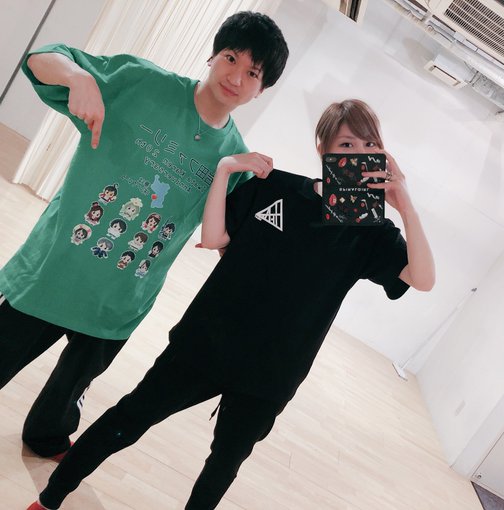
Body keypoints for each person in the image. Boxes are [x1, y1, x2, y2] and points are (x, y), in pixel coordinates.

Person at [27, 99, 436, 510]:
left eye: (369, 146)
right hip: (204, 343)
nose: (359, 155)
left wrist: (406, 206)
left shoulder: (371, 229)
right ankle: (50, 498)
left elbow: (422, 279)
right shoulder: (276, 186)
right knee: (129, 419)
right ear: (323, 148)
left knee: (223, 466)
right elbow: (214, 238)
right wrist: (224, 170)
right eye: (347, 145)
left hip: (271, 374)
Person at [0, 11, 288, 461]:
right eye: (231, 58)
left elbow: (223, 240)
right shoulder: (141, 83)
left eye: (253, 73)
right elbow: (40, 58)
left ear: (261, 89)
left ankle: (47, 436)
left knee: (70, 390)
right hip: (54, 269)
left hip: (121, 296)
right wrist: (79, 77)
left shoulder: (235, 160)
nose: (236, 77)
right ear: (213, 55)